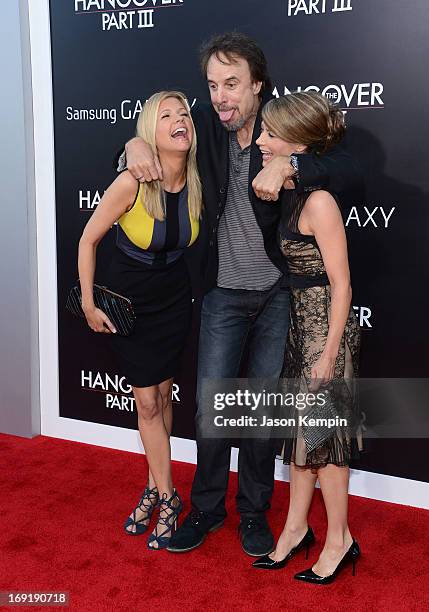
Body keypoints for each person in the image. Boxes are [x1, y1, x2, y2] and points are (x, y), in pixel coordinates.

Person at [122, 33, 362, 557]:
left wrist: (289, 165)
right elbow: (153, 135)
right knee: (214, 411)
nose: (221, 96)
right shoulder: (204, 125)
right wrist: (132, 145)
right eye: (212, 85)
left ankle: (253, 512)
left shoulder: (281, 127)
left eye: (232, 84)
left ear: (257, 84)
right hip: (220, 294)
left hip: (278, 295)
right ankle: (206, 509)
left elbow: (348, 166)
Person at [78, 91, 202, 550]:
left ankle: (154, 485)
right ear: (150, 133)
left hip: (172, 300)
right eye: (165, 115)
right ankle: (169, 499)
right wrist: (90, 304)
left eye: (184, 113)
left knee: (162, 395)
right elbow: (88, 240)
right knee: (148, 403)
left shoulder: (196, 178)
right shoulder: (131, 183)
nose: (179, 119)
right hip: (129, 304)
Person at [252, 92, 361, 583]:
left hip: (326, 335)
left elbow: (342, 284)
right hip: (301, 327)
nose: (260, 141)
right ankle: (296, 529)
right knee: (302, 440)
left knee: (325, 444)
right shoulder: (291, 193)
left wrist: (330, 354)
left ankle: (340, 540)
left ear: (295, 143)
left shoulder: (318, 200)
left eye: (269, 134)